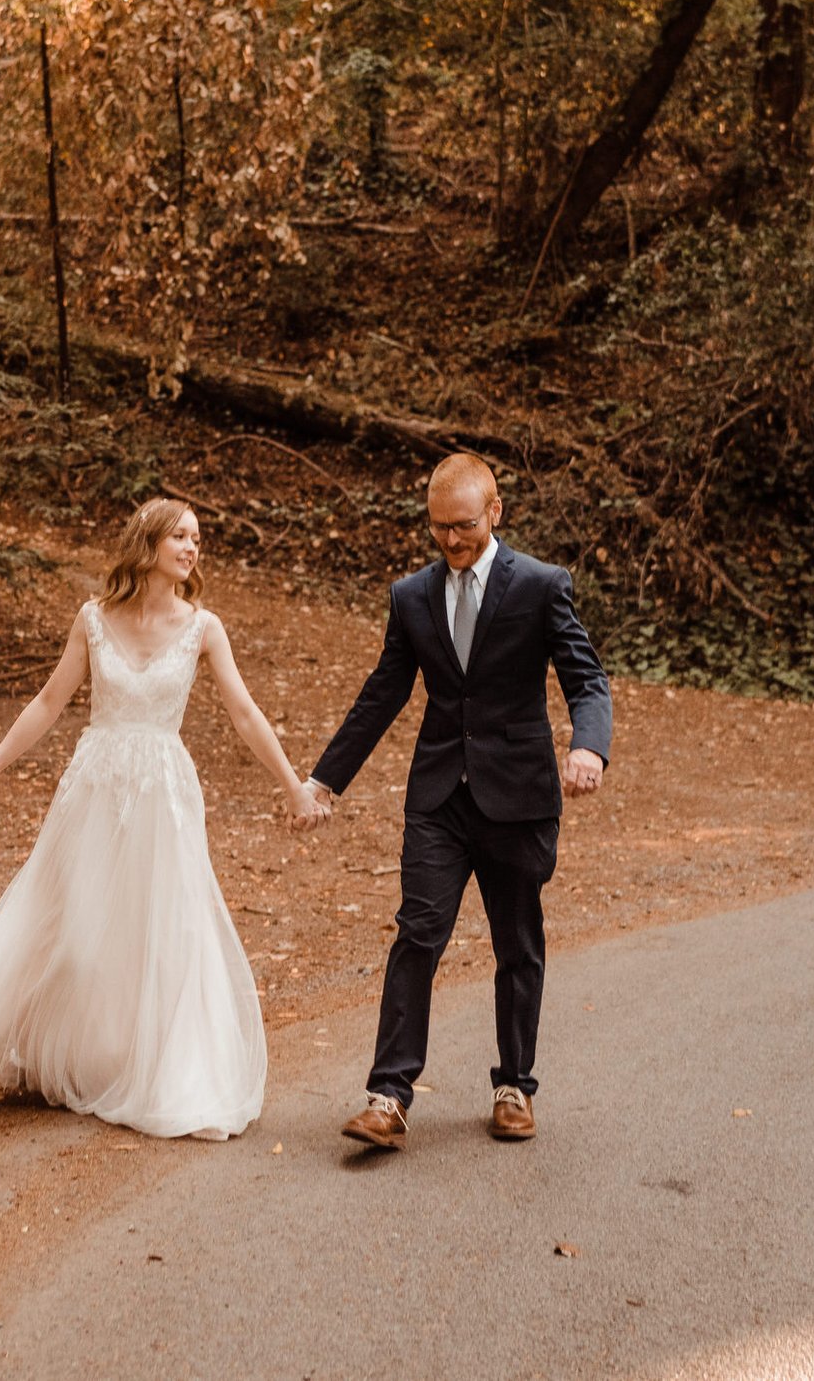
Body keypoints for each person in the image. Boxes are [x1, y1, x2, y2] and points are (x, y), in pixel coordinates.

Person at [0, 497, 328, 1140]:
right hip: (95, 785)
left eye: (197, 539)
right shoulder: (93, 620)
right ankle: (79, 1058)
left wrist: (294, 787)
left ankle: (161, 1070)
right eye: (180, 535)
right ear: (147, 543)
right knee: (80, 932)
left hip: (164, 795)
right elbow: (48, 701)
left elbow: (245, 713)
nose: (191, 547)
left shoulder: (204, 628)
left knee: (163, 929)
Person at [306, 453, 612, 1150]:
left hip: (519, 795)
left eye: (465, 525)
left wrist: (588, 745)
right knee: (418, 931)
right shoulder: (411, 595)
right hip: (439, 795)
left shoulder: (539, 585)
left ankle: (514, 1085)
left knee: (517, 943)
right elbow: (383, 692)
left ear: (495, 511)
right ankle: (388, 1094)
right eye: (439, 527)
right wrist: (326, 779)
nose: (452, 540)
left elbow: (586, 678)